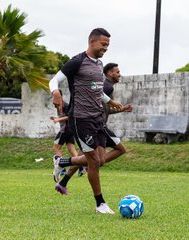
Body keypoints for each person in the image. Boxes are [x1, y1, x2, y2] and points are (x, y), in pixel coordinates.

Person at [49, 28, 122, 214]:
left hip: (97, 118)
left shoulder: (99, 64)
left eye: (108, 45)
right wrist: (55, 92)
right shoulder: (77, 61)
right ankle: (100, 204)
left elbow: (97, 91)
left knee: (100, 160)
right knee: (93, 162)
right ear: (92, 42)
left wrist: (110, 101)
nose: (105, 48)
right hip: (80, 119)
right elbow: (54, 81)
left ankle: (63, 162)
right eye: (103, 44)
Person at [54, 63, 132, 195]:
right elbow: (97, 103)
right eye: (117, 72)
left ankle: (63, 181)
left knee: (89, 157)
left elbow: (105, 109)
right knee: (111, 153)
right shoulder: (106, 86)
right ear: (109, 73)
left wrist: (122, 109)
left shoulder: (108, 87)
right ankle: (65, 164)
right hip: (97, 125)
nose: (119, 75)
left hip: (98, 125)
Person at [49, 90, 84, 182]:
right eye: (53, 96)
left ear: (60, 96)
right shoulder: (58, 105)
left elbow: (70, 116)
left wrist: (58, 119)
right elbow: (63, 116)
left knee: (56, 148)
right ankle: (80, 168)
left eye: (55, 96)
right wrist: (56, 118)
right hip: (70, 130)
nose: (54, 98)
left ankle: (62, 168)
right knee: (72, 150)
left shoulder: (65, 105)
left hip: (65, 130)